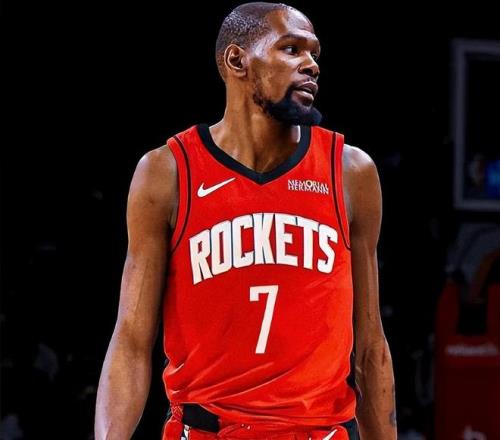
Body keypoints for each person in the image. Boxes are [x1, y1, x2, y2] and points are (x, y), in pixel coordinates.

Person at [94, 2, 397, 439]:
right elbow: (131, 341)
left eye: (314, 54)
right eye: (291, 49)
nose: (311, 65)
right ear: (237, 60)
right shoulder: (168, 171)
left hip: (318, 430)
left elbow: (370, 346)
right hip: (207, 429)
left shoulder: (350, 172)